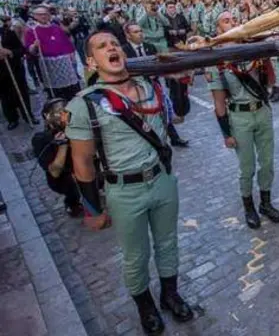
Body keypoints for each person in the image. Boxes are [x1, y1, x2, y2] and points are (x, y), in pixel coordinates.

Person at [66, 31, 194, 335]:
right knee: (135, 255)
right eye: (101, 46)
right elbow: (82, 161)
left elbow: (180, 117)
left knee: (168, 243)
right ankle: (145, 305)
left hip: (161, 179)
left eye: (115, 44)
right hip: (124, 191)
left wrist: (181, 83)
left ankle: (170, 294)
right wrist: (92, 209)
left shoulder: (150, 86)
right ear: (91, 61)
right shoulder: (84, 104)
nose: (111, 47)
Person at [205, 11, 279, 230]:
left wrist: (264, 58)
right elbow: (219, 102)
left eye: (234, 20)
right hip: (239, 116)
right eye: (226, 21)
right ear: (218, 29)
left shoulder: (253, 51)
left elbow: (271, 82)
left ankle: (266, 203)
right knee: (246, 166)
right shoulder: (216, 62)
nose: (232, 23)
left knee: (267, 162)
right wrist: (226, 134)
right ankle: (248, 205)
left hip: (262, 111)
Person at [122, 23, 189, 148]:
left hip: (154, 87)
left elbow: (160, 67)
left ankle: (174, 138)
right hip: (137, 91)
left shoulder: (150, 47)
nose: (140, 33)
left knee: (164, 112)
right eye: (136, 32)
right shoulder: (124, 51)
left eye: (141, 30)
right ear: (128, 35)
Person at [31, 98, 84, 217]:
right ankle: (72, 202)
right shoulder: (41, 139)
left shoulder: (77, 128)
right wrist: (62, 145)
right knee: (71, 182)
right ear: (47, 117)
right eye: (59, 112)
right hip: (64, 177)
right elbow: (55, 171)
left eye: (66, 111)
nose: (63, 116)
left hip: (85, 166)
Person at [24, 5, 81, 101]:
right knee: (56, 91)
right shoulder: (32, 31)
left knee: (72, 88)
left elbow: (66, 42)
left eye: (45, 14)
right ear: (35, 16)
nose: (43, 16)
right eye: (40, 15)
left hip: (64, 62)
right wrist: (34, 46)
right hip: (48, 63)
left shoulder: (56, 27)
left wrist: (72, 55)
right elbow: (30, 50)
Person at [0, 15, 36, 129]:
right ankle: (12, 119)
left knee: (22, 93)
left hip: (15, 69)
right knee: (5, 97)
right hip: (1, 74)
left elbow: (21, 50)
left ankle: (28, 115)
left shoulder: (8, 33)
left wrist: (10, 52)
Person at [163, 1, 193, 123]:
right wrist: (169, 33)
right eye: (169, 7)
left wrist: (183, 32)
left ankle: (183, 107)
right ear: (166, 8)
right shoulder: (164, 19)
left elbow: (189, 29)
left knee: (183, 79)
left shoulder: (181, 17)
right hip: (170, 48)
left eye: (173, 7)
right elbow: (162, 32)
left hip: (181, 47)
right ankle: (174, 107)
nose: (172, 9)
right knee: (172, 80)